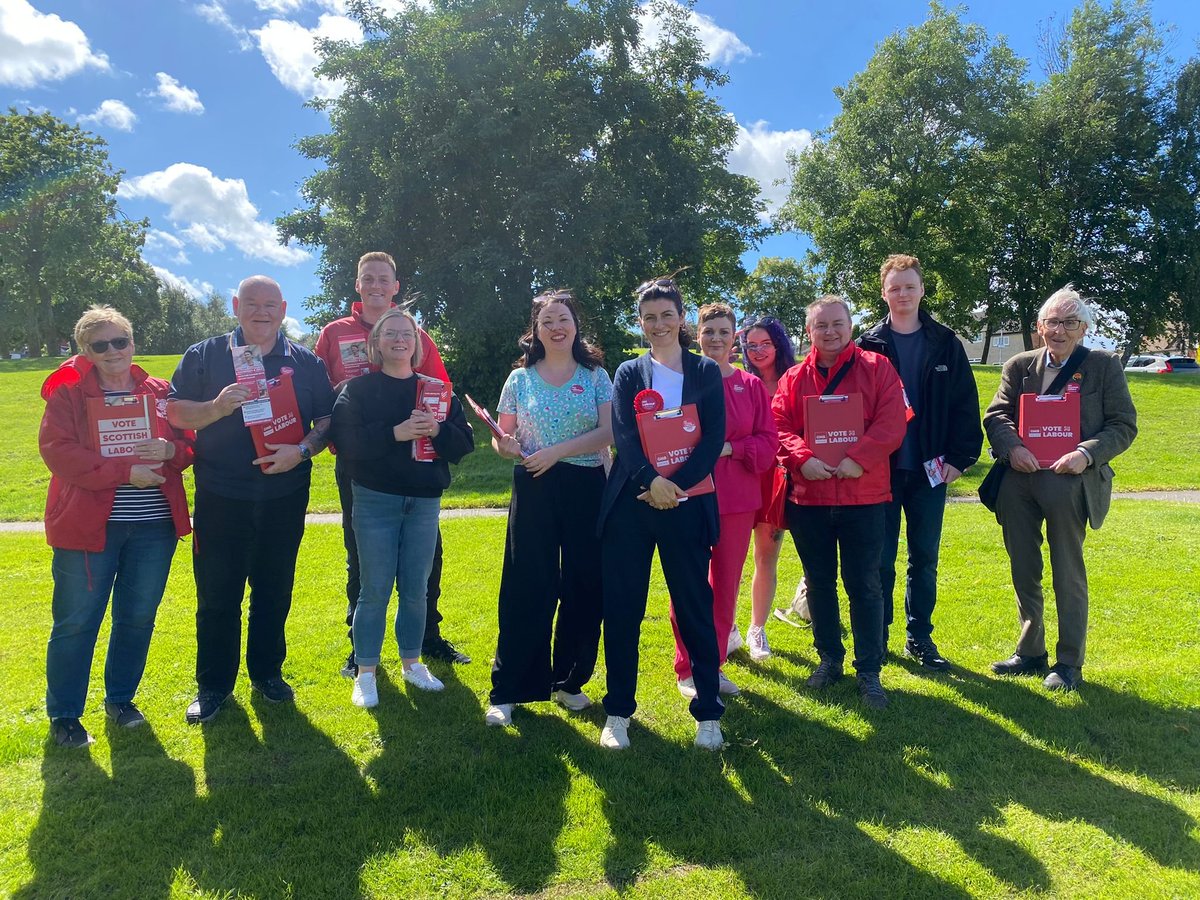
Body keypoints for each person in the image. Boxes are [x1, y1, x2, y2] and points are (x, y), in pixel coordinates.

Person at [168, 275, 336, 724]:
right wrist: (217, 407)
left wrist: (301, 450)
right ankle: (214, 686)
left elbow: (326, 421)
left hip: (284, 493)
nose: (261, 312)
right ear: (236, 306)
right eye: (252, 304)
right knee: (218, 595)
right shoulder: (204, 356)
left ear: (283, 308)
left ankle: (267, 673)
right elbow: (175, 411)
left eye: (269, 305)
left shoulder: (305, 360)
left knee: (274, 590)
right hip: (222, 495)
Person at [38, 306, 194, 747]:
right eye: (99, 345)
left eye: (119, 341)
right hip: (89, 529)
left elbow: (188, 447)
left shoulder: (160, 391)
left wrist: (170, 450)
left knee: (137, 617)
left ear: (132, 343)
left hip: (153, 527)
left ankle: (120, 699)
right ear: (84, 351)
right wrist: (125, 472)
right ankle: (65, 714)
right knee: (76, 622)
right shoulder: (69, 394)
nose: (112, 352)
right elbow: (58, 452)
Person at [315, 251, 470, 676]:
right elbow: (316, 394)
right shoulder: (334, 333)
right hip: (360, 464)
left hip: (418, 471)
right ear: (358, 284)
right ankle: (359, 648)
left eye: (385, 278)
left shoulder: (415, 332)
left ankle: (426, 638)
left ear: (396, 286)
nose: (377, 285)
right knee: (361, 557)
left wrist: (433, 429)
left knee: (426, 558)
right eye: (369, 278)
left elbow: (440, 391)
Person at [983, 286, 1137, 691]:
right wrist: (1012, 446)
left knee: (1067, 571)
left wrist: (1086, 454)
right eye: (1052, 322)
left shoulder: (1103, 365)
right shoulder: (1019, 366)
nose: (1060, 330)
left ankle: (1069, 662)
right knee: (1024, 568)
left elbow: (1123, 425)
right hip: (1020, 480)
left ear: (1083, 327)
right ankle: (1031, 651)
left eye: (1070, 322)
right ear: (1039, 327)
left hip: (1072, 481)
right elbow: (997, 414)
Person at [597, 274, 726, 751]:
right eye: (649, 317)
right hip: (634, 503)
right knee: (624, 611)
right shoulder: (629, 373)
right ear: (640, 323)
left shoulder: (706, 372)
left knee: (694, 608)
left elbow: (712, 439)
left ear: (681, 318)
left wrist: (676, 486)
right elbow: (625, 438)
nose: (657, 324)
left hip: (688, 504)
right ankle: (618, 713)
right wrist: (653, 482)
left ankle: (709, 714)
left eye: (666, 315)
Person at [484, 290, 613, 726]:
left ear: (576, 324)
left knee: (584, 585)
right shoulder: (518, 380)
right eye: (547, 321)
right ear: (535, 331)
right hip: (534, 485)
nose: (557, 327)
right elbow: (502, 438)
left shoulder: (595, 374)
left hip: (586, 485)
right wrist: (504, 445)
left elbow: (608, 432)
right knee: (527, 585)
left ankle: (567, 682)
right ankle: (509, 689)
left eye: (563, 319)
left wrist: (557, 451)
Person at [773, 296, 906, 709]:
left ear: (850, 325)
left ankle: (870, 671)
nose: (830, 332)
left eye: (837, 324)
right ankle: (829, 659)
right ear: (808, 331)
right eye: (820, 326)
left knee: (865, 584)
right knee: (819, 582)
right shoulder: (793, 378)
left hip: (863, 495)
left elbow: (893, 421)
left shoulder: (878, 368)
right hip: (809, 498)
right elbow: (777, 425)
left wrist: (858, 459)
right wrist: (802, 459)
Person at [857, 254, 982, 670]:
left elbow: (966, 404)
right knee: (880, 557)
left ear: (922, 289)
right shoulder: (867, 345)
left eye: (910, 286)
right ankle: (880, 636)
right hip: (882, 470)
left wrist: (961, 459)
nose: (903, 294)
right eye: (895, 288)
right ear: (883, 293)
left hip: (932, 468)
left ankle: (919, 638)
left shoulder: (946, 341)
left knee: (924, 557)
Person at [669, 303, 777, 697]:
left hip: (737, 499)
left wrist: (728, 448)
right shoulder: (681, 380)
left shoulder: (749, 387)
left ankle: (711, 665)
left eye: (723, 331)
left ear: (736, 339)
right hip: (688, 496)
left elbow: (768, 442)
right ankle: (687, 669)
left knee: (726, 585)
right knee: (688, 583)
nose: (715, 338)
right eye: (708, 331)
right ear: (696, 335)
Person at [732, 315, 799, 657]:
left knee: (766, 554)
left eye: (765, 344)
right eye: (750, 345)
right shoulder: (737, 381)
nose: (757, 351)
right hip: (741, 475)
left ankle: (757, 629)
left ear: (779, 344)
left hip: (777, 477)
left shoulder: (795, 379)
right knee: (730, 557)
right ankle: (726, 627)